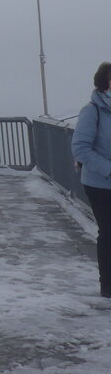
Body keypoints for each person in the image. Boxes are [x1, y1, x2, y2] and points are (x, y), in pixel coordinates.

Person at [72, 61, 111, 301]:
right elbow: (80, 148)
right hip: (100, 184)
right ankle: (107, 285)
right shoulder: (93, 110)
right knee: (108, 233)